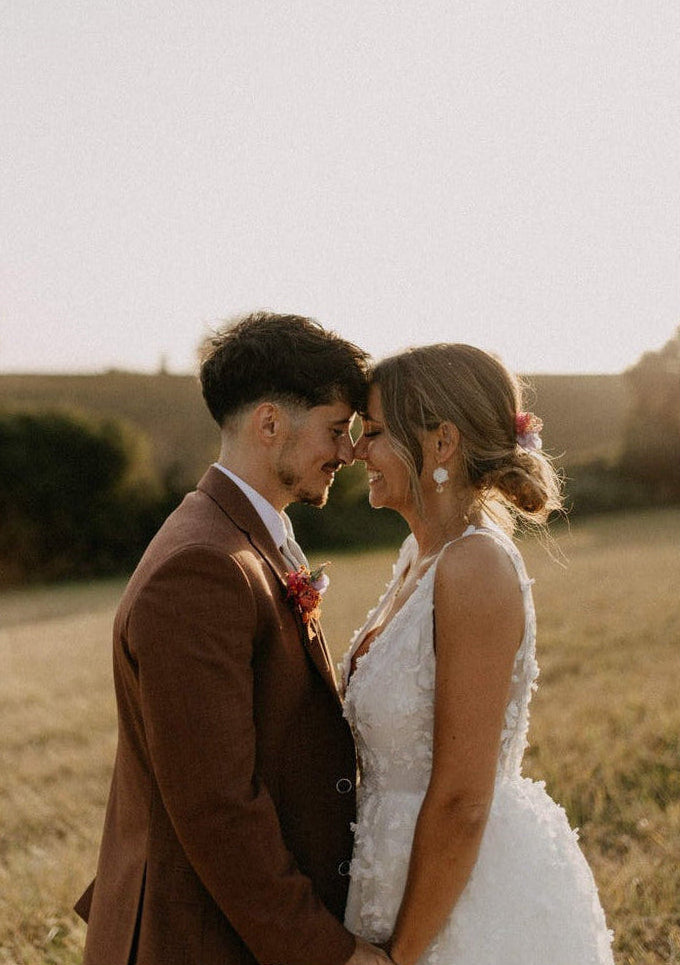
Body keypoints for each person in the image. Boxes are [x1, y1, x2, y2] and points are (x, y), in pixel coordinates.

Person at [75, 312, 389, 965]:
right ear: (269, 423)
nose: (349, 451)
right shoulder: (204, 567)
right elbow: (218, 807)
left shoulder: (236, 534)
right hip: (195, 939)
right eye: (337, 429)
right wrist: (328, 953)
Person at [341, 343, 615, 965]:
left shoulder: (476, 567)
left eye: (376, 432)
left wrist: (402, 956)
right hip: (391, 879)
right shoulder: (421, 558)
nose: (358, 450)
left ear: (441, 444)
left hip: (461, 905)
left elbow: (464, 799)